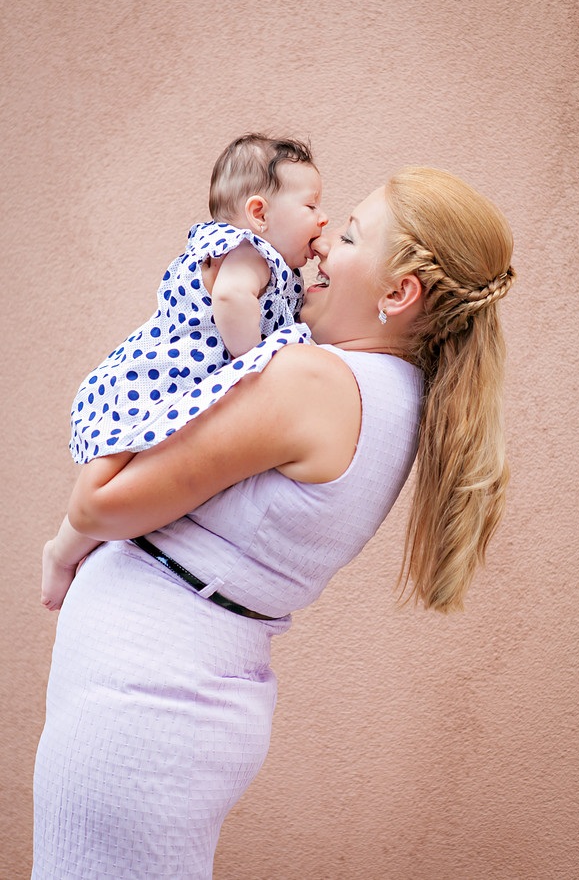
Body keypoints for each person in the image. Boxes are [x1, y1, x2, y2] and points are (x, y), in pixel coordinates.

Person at [33, 166, 515, 879]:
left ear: (398, 292)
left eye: (349, 235)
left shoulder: (314, 383)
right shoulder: (397, 397)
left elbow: (99, 503)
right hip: (174, 697)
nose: (320, 244)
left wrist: (159, 359)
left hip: (141, 711)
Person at [69, 132, 327, 466]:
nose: (323, 218)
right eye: (311, 205)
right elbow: (231, 296)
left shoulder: (228, 249)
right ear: (259, 215)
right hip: (172, 376)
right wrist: (252, 367)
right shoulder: (251, 253)